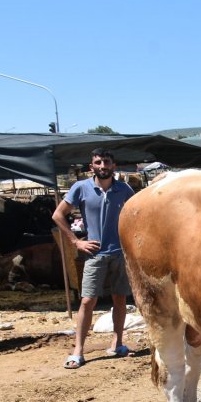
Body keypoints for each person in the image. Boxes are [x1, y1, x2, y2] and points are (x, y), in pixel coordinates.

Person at [52, 149, 134, 369]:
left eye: (106, 162)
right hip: (94, 253)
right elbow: (58, 215)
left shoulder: (124, 189)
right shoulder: (81, 188)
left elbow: (137, 215)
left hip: (119, 253)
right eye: (98, 162)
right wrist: (76, 241)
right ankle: (78, 350)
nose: (103, 165)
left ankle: (117, 342)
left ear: (113, 166)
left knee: (120, 298)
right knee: (88, 300)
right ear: (92, 167)